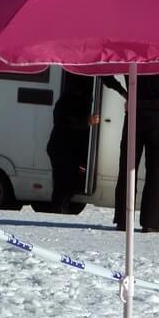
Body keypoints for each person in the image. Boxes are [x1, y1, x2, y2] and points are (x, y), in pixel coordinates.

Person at [113, 75, 159, 233]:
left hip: (135, 113)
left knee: (127, 168)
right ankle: (151, 222)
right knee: (155, 171)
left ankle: (123, 219)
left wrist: (122, 91)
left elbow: (103, 73)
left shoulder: (132, 57)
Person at [46, 73, 97, 213]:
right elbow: (63, 121)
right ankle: (58, 210)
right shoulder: (67, 101)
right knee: (63, 183)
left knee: (68, 182)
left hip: (66, 148)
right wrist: (86, 122)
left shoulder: (73, 98)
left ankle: (60, 208)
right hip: (61, 148)